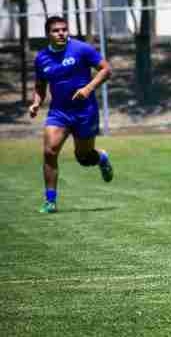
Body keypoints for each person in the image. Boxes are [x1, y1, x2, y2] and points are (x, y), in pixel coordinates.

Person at [28, 16, 114, 213]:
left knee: (83, 158)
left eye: (64, 29)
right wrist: (36, 103)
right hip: (59, 112)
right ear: (47, 34)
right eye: (56, 30)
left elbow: (106, 69)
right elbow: (40, 86)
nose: (61, 33)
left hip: (85, 111)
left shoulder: (81, 49)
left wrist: (88, 88)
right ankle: (50, 201)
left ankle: (101, 158)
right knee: (49, 152)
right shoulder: (41, 58)